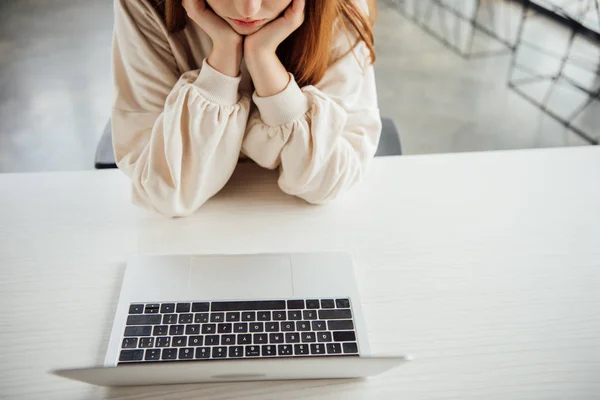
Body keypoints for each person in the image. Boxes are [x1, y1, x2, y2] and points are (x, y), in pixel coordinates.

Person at [112, 0, 381, 217]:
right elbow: (166, 191)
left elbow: (327, 182)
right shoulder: (145, 5)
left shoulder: (342, 5)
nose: (248, 9)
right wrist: (223, 57)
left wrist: (262, 59)